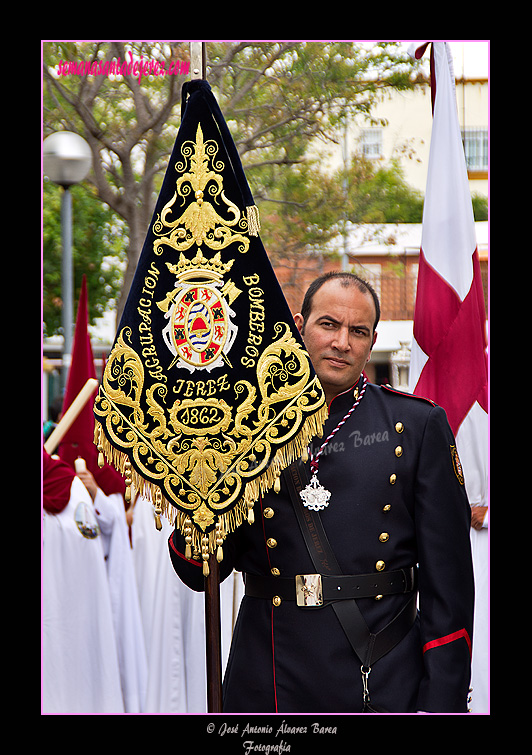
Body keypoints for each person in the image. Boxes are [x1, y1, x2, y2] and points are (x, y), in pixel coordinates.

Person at [168, 272, 475, 714]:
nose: (342, 342)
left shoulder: (418, 425)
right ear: (298, 326)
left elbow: (450, 585)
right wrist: (200, 475)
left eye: (358, 331)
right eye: (328, 324)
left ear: (372, 342)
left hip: (380, 675)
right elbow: (198, 572)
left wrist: (442, 699)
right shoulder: (242, 425)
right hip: (268, 677)